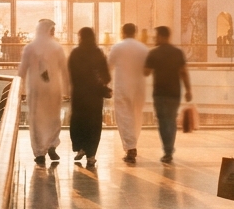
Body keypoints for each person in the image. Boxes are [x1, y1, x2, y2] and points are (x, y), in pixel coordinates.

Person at [17, 19, 69, 166]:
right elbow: (64, 70)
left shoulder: (30, 48)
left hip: (35, 90)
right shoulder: (57, 47)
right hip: (53, 89)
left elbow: (22, 71)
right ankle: (52, 144)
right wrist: (67, 89)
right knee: (53, 118)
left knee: (36, 121)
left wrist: (19, 90)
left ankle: (39, 152)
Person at [144, 25, 192, 164]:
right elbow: (184, 72)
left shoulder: (153, 53)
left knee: (162, 121)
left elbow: (146, 72)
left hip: (159, 92)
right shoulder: (177, 52)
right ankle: (169, 149)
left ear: (161, 36)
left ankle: (167, 150)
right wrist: (188, 90)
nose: (154, 38)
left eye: (155, 36)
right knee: (171, 120)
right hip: (174, 92)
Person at [67, 27, 111, 168]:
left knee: (79, 122)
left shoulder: (75, 53)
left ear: (80, 37)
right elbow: (106, 76)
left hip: (79, 95)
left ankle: (81, 147)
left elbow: (71, 75)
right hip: (95, 96)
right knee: (94, 124)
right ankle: (91, 155)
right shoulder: (98, 53)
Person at [108, 23, 149, 164]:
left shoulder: (117, 47)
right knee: (136, 116)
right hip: (139, 88)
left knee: (124, 117)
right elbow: (148, 69)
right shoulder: (143, 48)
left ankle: (130, 147)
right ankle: (133, 143)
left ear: (122, 32)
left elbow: (108, 66)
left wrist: (105, 84)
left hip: (123, 87)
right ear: (135, 32)